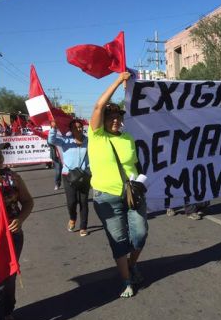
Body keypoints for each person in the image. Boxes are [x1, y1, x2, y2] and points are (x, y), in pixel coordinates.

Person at [89, 71, 148, 298]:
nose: (116, 120)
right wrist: (117, 80)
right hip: (106, 198)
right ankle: (126, 280)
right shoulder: (97, 136)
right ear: (103, 120)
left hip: (132, 195)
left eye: (119, 117)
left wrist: (141, 182)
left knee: (140, 234)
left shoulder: (128, 138)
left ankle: (132, 265)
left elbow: (135, 164)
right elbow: (97, 107)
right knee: (119, 240)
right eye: (111, 117)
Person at [0, 140, 34, 320]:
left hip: (12, 238)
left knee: (7, 280)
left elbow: (28, 202)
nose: (0, 156)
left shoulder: (12, 178)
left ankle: (7, 311)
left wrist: (21, 219)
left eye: (0, 152)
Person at [48, 119, 90, 236]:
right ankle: (72, 218)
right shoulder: (65, 141)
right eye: (75, 127)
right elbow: (51, 140)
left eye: (80, 126)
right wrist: (53, 128)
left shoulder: (88, 141)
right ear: (71, 129)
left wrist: (89, 168)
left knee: (83, 202)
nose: (78, 129)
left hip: (84, 175)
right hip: (68, 175)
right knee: (72, 202)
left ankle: (83, 226)